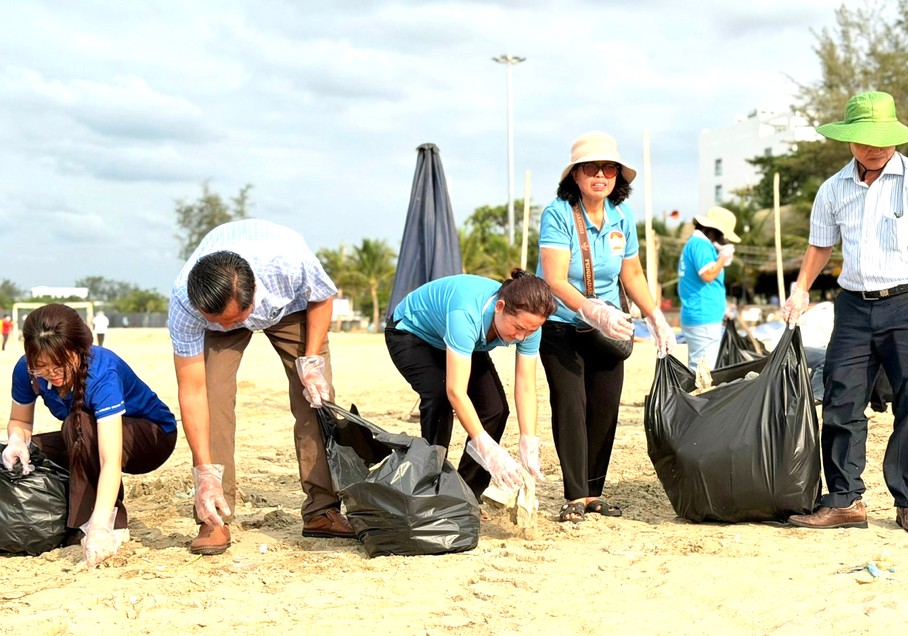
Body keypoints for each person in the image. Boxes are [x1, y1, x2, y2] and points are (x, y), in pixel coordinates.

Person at [783, 91, 908, 534]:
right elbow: (820, 245)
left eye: (882, 138)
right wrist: (800, 289)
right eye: (864, 138)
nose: (874, 147)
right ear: (848, 139)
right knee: (840, 400)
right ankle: (844, 499)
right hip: (854, 308)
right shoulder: (833, 188)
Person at [168, 219, 343, 556]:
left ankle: (323, 510)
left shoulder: (289, 262)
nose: (233, 327)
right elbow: (193, 392)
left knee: (316, 397)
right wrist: (204, 472)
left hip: (290, 307)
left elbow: (323, 296)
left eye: (236, 319)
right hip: (223, 307)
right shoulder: (185, 305)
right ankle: (214, 514)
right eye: (217, 321)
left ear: (253, 296)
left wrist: (310, 361)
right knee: (214, 400)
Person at [538, 131, 675, 523]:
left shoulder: (622, 216)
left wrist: (655, 315)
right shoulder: (558, 213)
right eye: (591, 168)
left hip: (609, 328)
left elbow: (631, 271)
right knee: (570, 405)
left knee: (604, 408)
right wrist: (589, 309)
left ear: (618, 176)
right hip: (563, 324)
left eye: (609, 168)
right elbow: (554, 279)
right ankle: (575, 495)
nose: (601, 175)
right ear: (575, 176)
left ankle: (595, 491)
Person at [2, 304, 176, 567]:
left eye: (60, 365)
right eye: (42, 367)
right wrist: (17, 440)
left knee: (78, 423)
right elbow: (20, 421)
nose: (53, 374)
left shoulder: (102, 373)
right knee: (34, 452)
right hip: (88, 433)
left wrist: (100, 524)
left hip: (152, 438)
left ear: (78, 350)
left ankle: (105, 523)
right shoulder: (26, 371)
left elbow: (109, 459)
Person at [385, 269, 556, 500]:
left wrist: (529, 438)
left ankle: (466, 495)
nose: (521, 337)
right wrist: (487, 447)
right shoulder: (466, 313)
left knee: (495, 409)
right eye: (518, 328)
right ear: (500, 307)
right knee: (439, 397)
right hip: (412, 334)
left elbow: (526, 385)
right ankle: (429, 487)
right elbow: (456, 391)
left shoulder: (529, 325)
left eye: (531, 330)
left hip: (462, 342)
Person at [678, 206, 741, 371]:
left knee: (700, 366)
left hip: (700, 314)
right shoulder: (701, 245)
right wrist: (723, 257)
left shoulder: (695, 244)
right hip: (703, 315)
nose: (724, 240)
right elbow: (707, 274)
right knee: (704, 370)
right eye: (723, 235)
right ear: (714, 230)